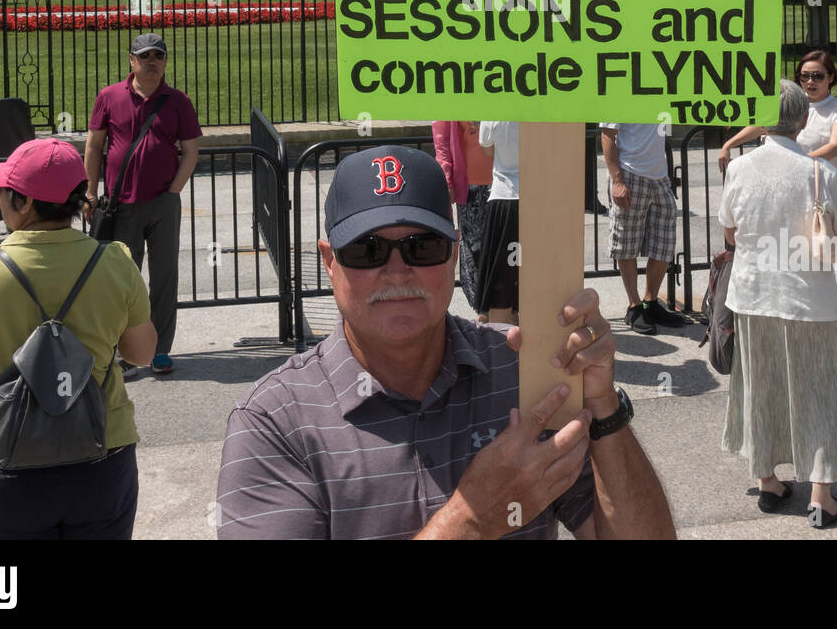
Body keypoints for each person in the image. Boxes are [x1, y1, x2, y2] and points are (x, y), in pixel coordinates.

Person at [215, 144, 676, 539]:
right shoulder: (272, 422)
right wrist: (472, 519)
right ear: (329, 261)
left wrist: (603, 410)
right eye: (367, 249)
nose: (396, 271)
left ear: (455, 252)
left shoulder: (525, 370)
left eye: (422, 246)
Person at [0, 137, 156, 538]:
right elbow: (142, 353)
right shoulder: (115, 262)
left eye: (6, 193)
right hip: (100, 455)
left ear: (22, 203)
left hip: (2, 458)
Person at [718, 80, 837, 528]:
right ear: (803, 120)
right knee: (819, 390)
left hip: (752, 293)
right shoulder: (822, 172)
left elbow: (730, 233)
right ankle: (822, 494)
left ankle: (767, 479)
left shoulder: (740, 170)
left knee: (761, 387)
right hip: (809, 299)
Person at [84, 33, 201, 375]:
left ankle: (160, 350)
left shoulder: (177, 101)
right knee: (123, 281)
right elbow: (93, 147)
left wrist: (173, 192)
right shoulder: (109, 97)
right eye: (144, 55)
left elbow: (191, 150)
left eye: (158, 56)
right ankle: (126, 353)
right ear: (131, 60)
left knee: (164, 277)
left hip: (163, 204)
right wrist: (90, 192)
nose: (152, 61)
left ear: (165, 61)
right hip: (121, 205)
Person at [599, 123, 685, 335]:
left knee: (664, 244)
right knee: (626, 244)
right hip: (630, 174)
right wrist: (617, 180)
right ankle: (634, 305)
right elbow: (607, 135)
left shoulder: (661, 94)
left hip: (660, 176)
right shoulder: (619, 93)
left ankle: (650, 301)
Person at [719, 50, 837, 174]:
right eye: (805, 76)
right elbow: (763, 125)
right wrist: (728, 145)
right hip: (783, 178)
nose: (810, 81)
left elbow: (835, 146)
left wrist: (799, 162)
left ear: (830, 77)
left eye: (818, 76)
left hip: (819, 183)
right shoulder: (790, 101)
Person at [431, 121, 493, 319]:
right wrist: (447, 180)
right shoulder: (452, 97)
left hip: (505, 183)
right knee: (475, 249)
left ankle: (508, 304)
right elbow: (441, 143)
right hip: (470, 185)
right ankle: (483, 306)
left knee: (505, 244)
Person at [475, 121, 520, 325]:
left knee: (501, 276)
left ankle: (500, 340)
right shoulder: (539, 110)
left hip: (503, 197)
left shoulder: (493, 114)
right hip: (534, 197)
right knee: (527, 270)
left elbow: (487, 150)